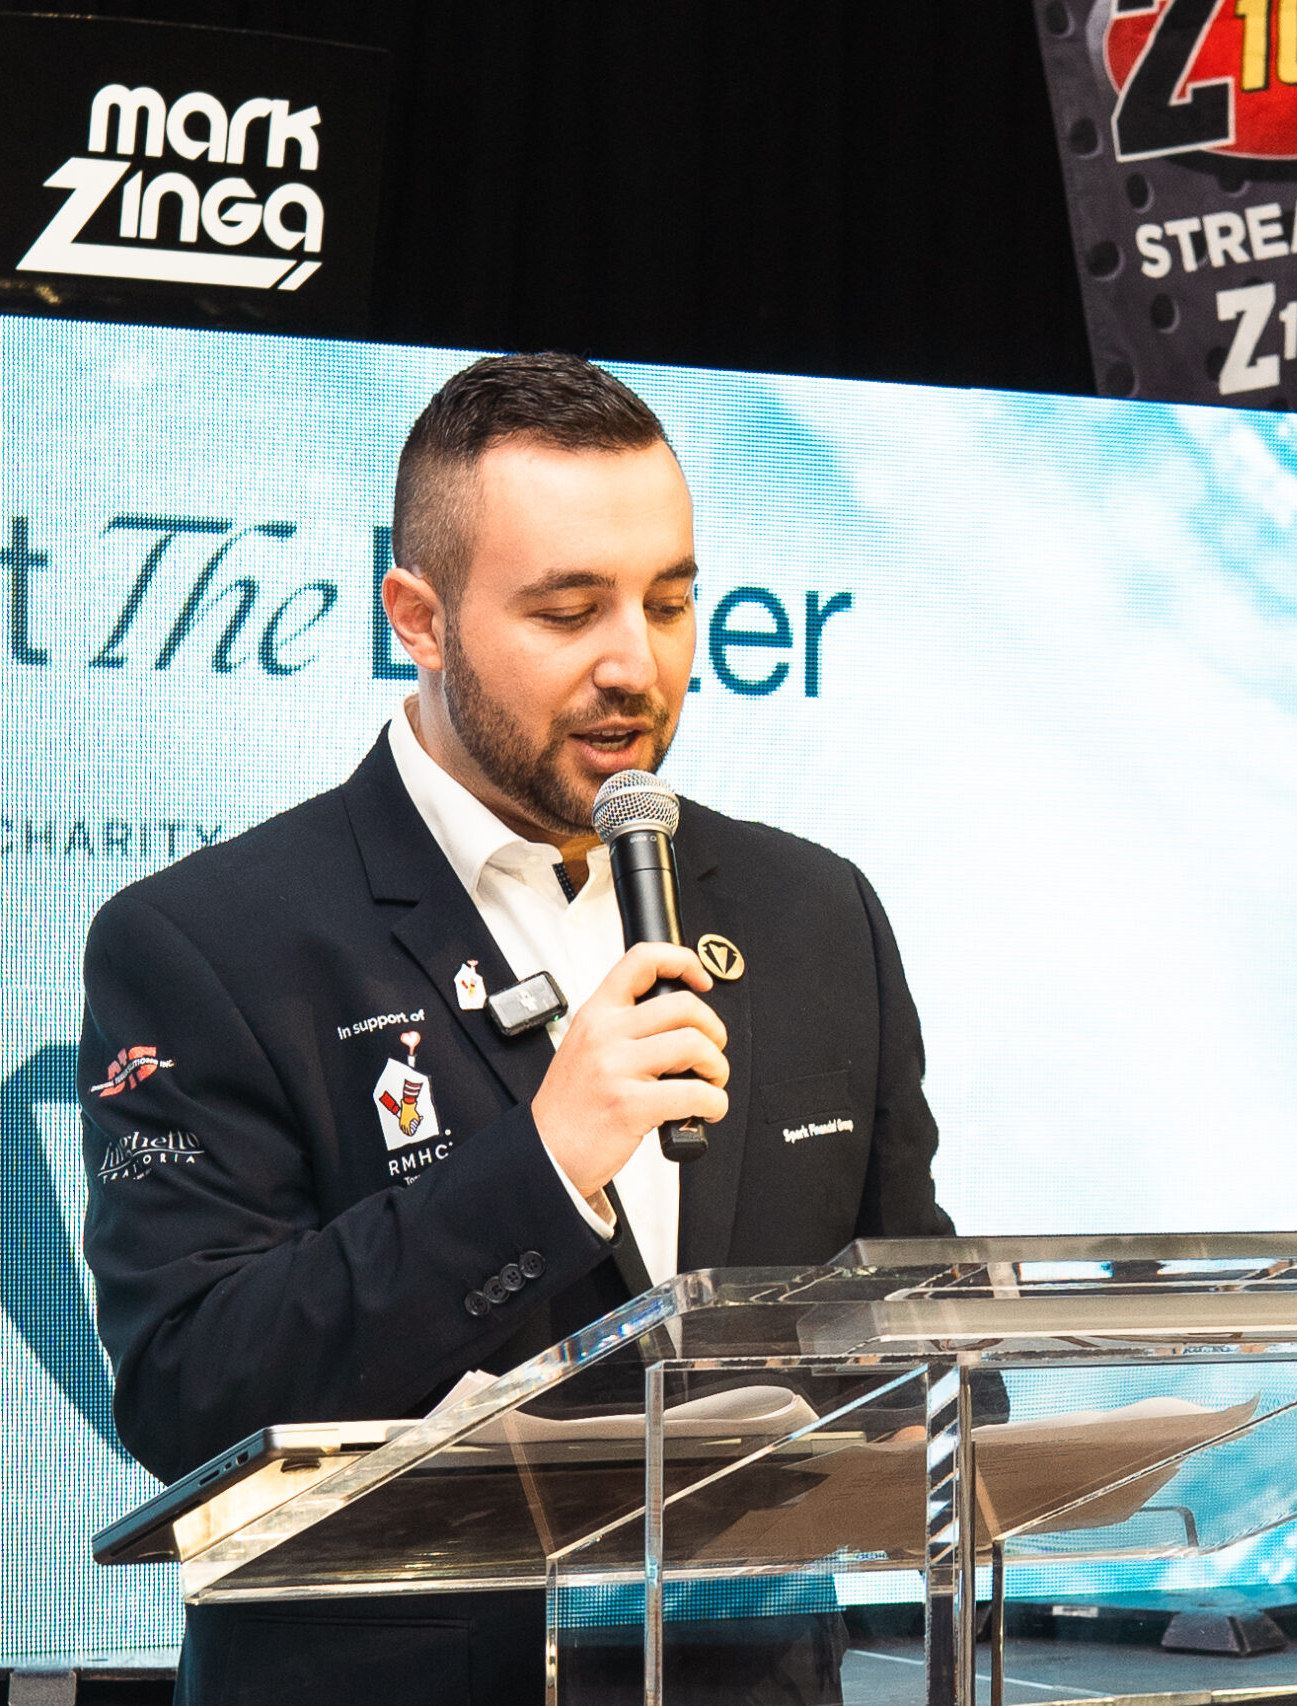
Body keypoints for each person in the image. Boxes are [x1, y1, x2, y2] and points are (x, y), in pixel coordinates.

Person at [80, 352, 960, 1706]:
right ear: (419, 619)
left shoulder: (812, 910)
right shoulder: (208, 941)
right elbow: (190, 1390)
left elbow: (911, 1318)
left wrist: (956, 1409)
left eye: (670, 602)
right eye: (568, 610)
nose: (636, 664)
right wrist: (543, 1164)